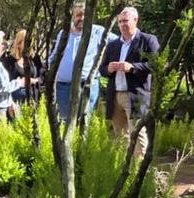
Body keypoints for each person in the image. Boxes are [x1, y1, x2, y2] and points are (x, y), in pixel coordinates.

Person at [99, 6, 159, 157]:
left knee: (138, 135)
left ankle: (139, 169)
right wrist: (108, 69)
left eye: (125, 21)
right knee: (120, 138)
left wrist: (132, 67)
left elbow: (156, 64)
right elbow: (102, 69)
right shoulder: (113, 45)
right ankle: (122, 167)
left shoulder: (147, 40)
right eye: (119, 22)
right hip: (115, 96)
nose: (122, 25)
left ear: (135, 20)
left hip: (135, 95)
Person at [48, 2, 117, 121]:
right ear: (72, 16)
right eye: (79, 15)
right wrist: (49, 67)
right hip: (63, 87)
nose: (82, 18)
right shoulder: (63, 33)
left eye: (85, 15)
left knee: (85, 121)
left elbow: (119, 42)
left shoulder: (98, 31)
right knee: (63, 121)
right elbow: (54, 55)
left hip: (87, 86)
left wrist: (107, 63)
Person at [0, 29, 43, 105]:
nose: (30, 44)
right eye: (26, 41)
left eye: (31, 41)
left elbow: (42, 77)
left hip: (33, 98)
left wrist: (34, 80)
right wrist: (19, 82)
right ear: (18, 44)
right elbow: (5, 83)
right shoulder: (9, 61)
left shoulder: (35, 58)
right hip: (15, 101)